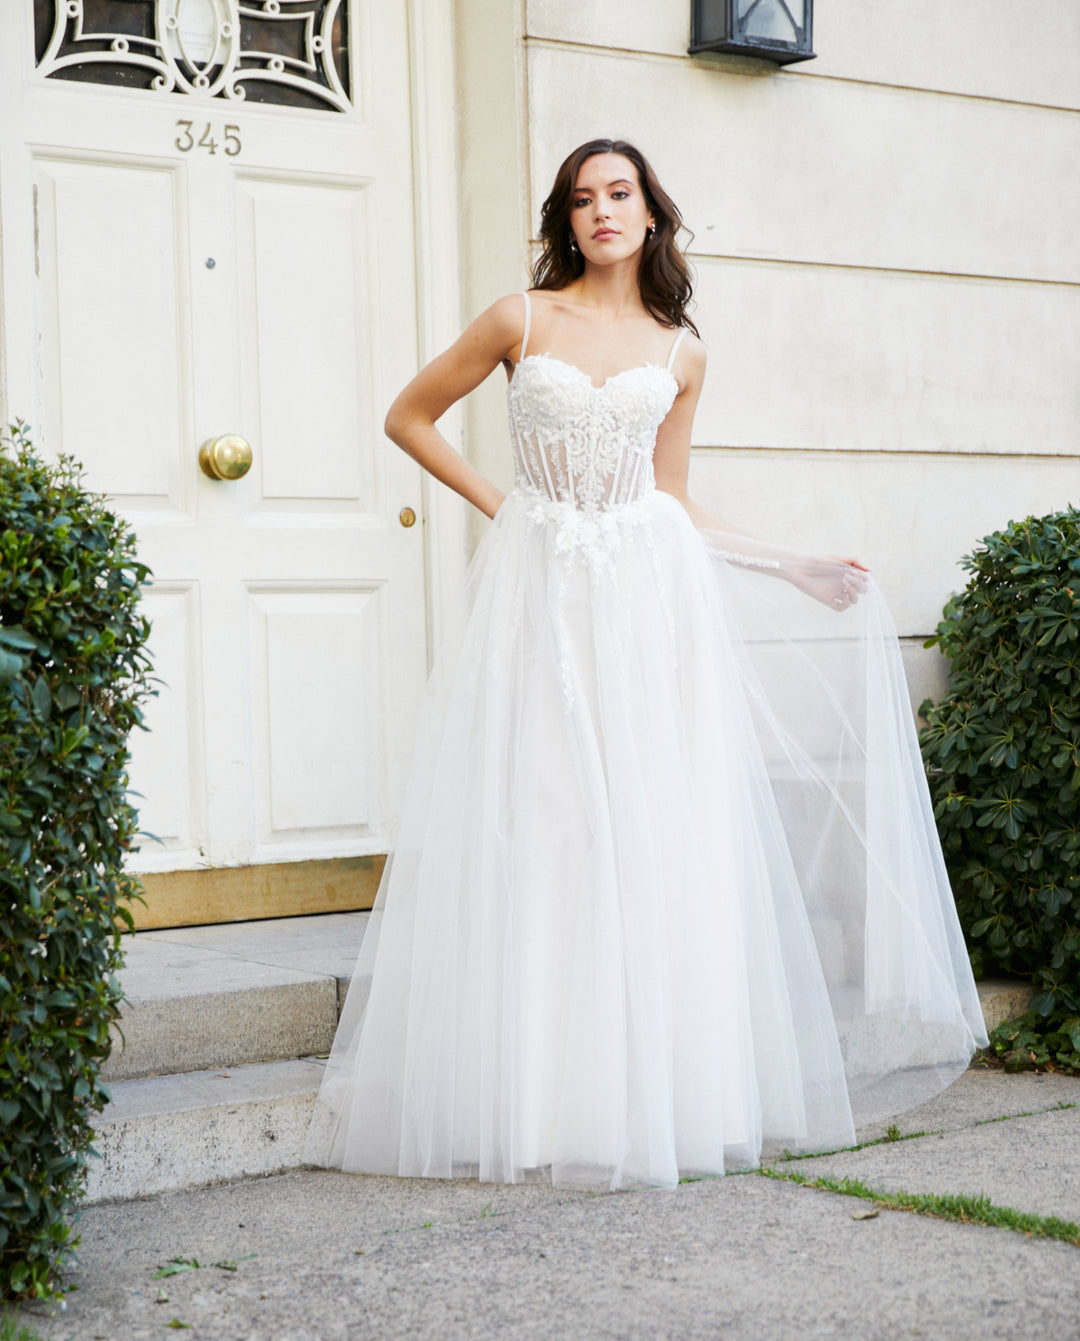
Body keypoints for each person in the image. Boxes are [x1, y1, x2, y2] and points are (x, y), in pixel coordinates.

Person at [305, 138, 987, 1192]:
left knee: (646, 830)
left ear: (652, 213)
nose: (601, 213)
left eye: (618, 194)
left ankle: (646, 1100)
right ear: (565, 221)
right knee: (547, 821)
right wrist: (513, 511)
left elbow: (670, 498)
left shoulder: (681, 351)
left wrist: (797, 568)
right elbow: (408, 418)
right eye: (582, 200)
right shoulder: (517, 319)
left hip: (646, 605)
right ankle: (532, 1104)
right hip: (542, 598)